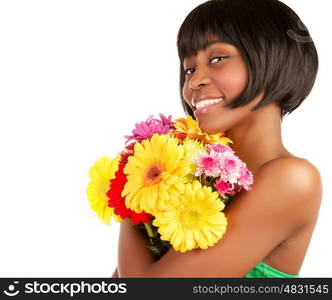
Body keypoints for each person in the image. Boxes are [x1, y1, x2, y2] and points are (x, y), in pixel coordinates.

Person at [114, 0, 322, 277]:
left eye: (217, 59)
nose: (194, 81)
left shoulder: (292, 179)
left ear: (273, 57)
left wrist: (135, 187)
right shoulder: (193, 183)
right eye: (189, 68)